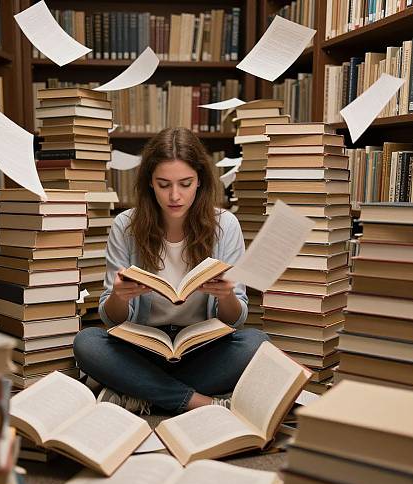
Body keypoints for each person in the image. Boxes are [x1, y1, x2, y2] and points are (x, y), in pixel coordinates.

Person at [74, 127, 269, 415]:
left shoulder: (225, 225)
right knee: (87, 343)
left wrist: (227, 296)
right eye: (163, 184)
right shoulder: (126, 226)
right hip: (143, 349)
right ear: (149, 183)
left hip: (201, 349)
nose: (174, 195)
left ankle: (139, 393)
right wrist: (119, 297)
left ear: (200, 181)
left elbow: (236, 321)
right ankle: (196, 401)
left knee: (257, 343)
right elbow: (110, 319)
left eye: (185, 183)